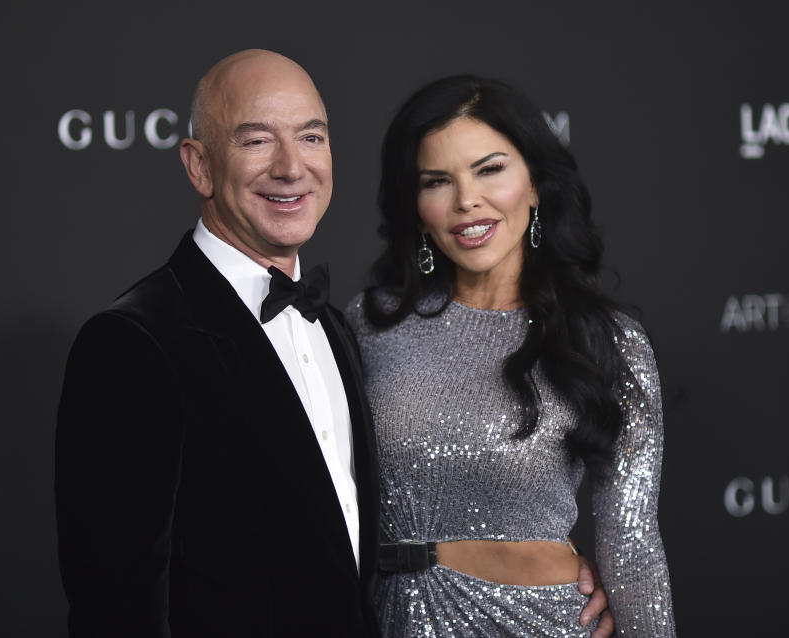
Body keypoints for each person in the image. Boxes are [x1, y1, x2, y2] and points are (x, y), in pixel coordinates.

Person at [55, 50, 612, 637]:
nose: (292, 167)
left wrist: (545, 563)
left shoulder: (340, 331)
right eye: (256, 141)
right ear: (199, 167)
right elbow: (114, 607)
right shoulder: (133, 342)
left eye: (311, 137)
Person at [345, 75, 675, 637]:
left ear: (535, 184)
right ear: (417, 205)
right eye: (437, 181)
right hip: (386, 619)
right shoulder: (368, 323)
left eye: (489, 169)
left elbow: (632, 544)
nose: (466, 200)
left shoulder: (606, 341)